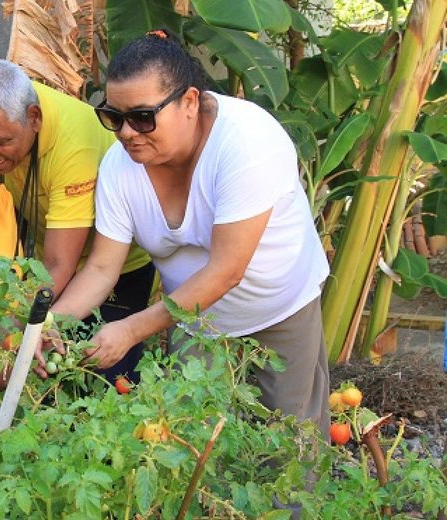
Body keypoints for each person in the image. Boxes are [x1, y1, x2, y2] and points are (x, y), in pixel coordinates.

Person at [49, 29, 331, 435]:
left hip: (277, 313)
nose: (127, 132)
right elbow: (100, 269)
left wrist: (129, 330)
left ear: (189, 102)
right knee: (191, 442)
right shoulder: (119, 165)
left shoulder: (247, 144)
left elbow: (226, 271)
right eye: (114, 117)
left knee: (287, 448)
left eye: (142, 117)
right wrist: (49, 326)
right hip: (192, 322)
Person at [0, 59, 155, 383]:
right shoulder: (1, 119)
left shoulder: (71, 147)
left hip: (117, 266)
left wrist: (14, 326)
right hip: (53, 262)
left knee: (104, 379)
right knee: (50, 373)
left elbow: (59, 263)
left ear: (33, 118)